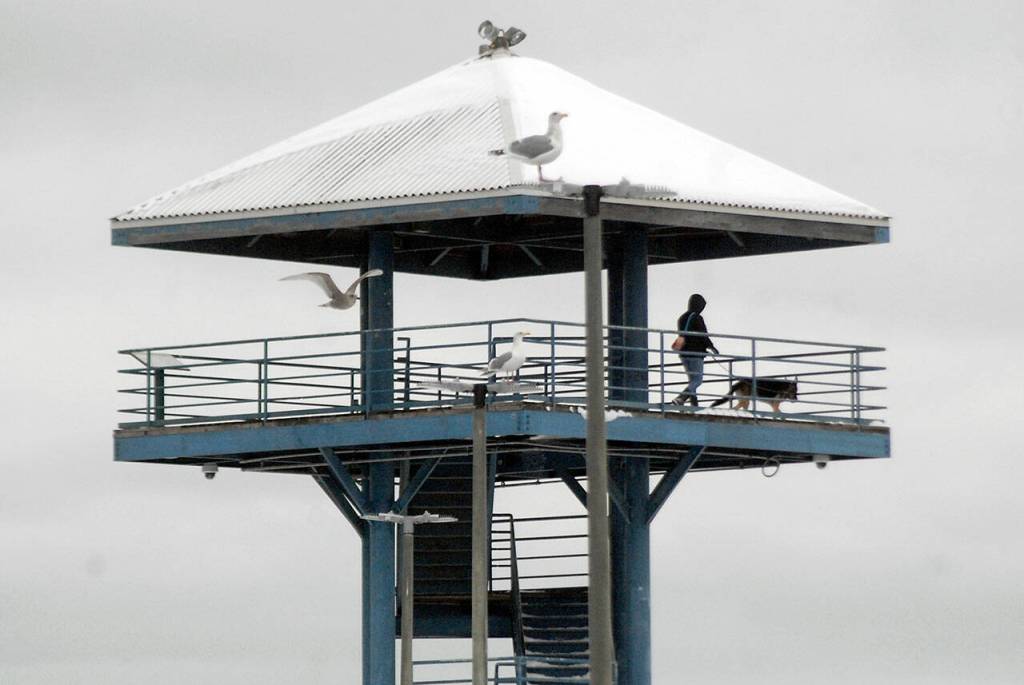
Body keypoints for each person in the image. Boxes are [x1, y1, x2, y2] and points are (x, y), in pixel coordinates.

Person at [672, 293, 719, 407]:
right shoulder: (697, 317)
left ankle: (694, 405)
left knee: (692, 380)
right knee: (697, 380)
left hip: (684, 353)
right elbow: (703, 335)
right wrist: (711, 347)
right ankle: (681, 398)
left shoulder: (682, 318)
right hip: (695, 354)